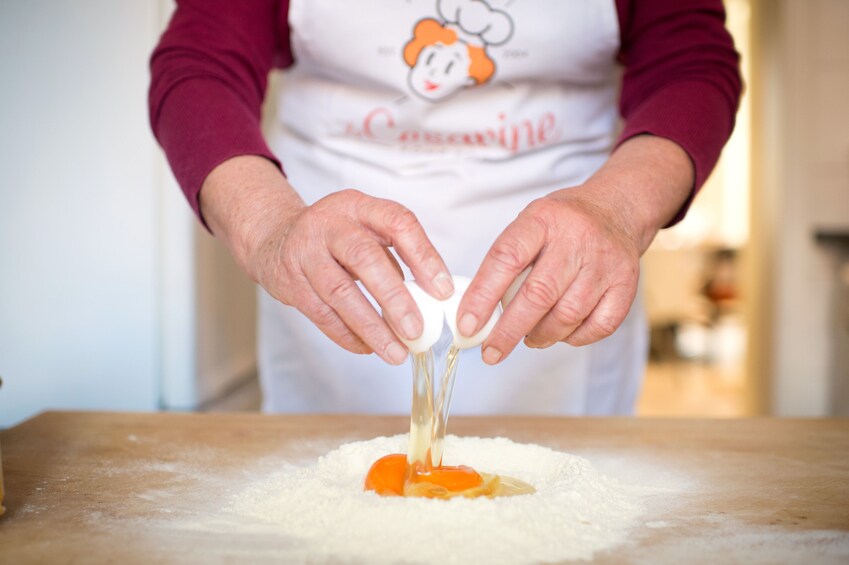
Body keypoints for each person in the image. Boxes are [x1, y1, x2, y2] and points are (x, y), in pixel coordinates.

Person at [149, 0, 741, 415]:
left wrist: (619, 209)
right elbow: (200, 64)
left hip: (561, 290)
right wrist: (272, 229)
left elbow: (691, 65)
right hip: (336, 285)